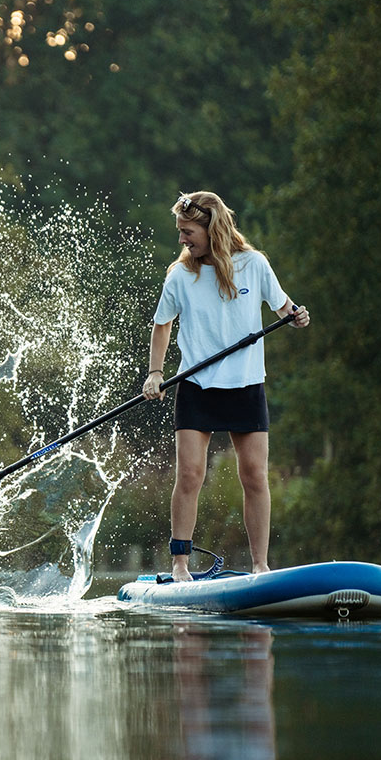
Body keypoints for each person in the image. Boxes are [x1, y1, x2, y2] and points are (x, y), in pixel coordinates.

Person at [141, 192, 310, 581]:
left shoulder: (254, 265)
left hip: (246, 385)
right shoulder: (180, 275)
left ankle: (260, 566)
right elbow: (162, 325)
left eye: (188, 232)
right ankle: (180, 565)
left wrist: (296, 315)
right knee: (190, 475)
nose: (182, 239)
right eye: (180, 231)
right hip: (197, 386)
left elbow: (284, 306)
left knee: (254, 476)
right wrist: (155, 373)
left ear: (212, 228)